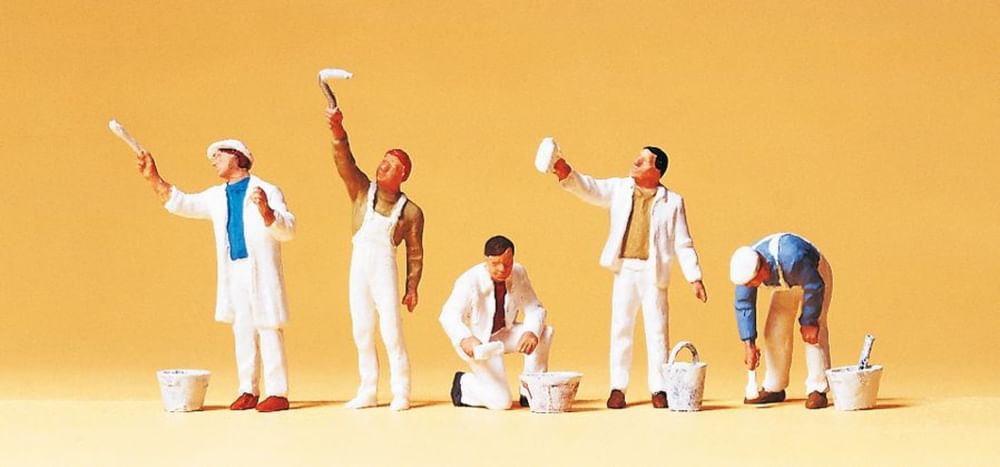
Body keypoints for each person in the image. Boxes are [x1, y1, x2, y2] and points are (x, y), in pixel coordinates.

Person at [136, 139, 295, 412]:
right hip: (235, 270)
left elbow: (288, 230)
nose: (213, 160)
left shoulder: (267, 190)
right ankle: (248, 389)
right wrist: (154, 178)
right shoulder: (216, 196)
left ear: (237, 157)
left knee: (268, 325)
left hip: (260, 271)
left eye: (219, 155)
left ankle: (277, 391)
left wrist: (267, 211)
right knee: (242, 329)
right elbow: (182, 202)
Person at [551, 145, 707, 409]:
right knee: (621, 329)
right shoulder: (619, 189)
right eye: (638, 157)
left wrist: (694, 277)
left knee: (657, 332)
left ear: (657, 171)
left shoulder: (673, 202)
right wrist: (567, 174)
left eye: (644, 161)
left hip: (653, 274)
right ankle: (618, 387)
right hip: (625, 270)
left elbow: (683, 242)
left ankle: (659, 387)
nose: (636, 161)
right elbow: (592, 188)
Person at [326, 105, 424, 411]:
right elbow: (345, 161)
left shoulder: (410, 212)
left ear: (402, 174)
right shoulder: (360, 191)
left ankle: (401, 391)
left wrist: (412, 287)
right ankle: (368, 389)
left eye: (391, 165)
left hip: (384, 269)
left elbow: (415, 253)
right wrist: (337, 130)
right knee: (362, 328)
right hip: (359, 267)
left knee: (391, 330)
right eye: (383, 161)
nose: (382, 167)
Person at [439, 235, 554, 410]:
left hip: (503, 332)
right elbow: (448, 315)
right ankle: (463, 385)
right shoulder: (469, 281)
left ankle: (531, 389)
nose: (502, 269)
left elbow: (534, 308)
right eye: (495, 264)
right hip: (480, 342)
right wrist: (464, 338)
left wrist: (531, 332)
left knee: (543, 332)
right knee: (502, 402)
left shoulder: (518, 273)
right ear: (486, 260)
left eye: (507, 263)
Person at [729, 232, 833, 409]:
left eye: (751, 283)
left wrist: (809, 321)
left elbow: (814, 286)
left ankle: (818, 388)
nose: (748, 287)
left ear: (762, 269)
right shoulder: (746, 272)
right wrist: (749, 344)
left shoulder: (793, 258)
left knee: (813, 334)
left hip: (814, 277)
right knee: (774, 331)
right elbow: (744, 304)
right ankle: (774, 386)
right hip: (785, 284)